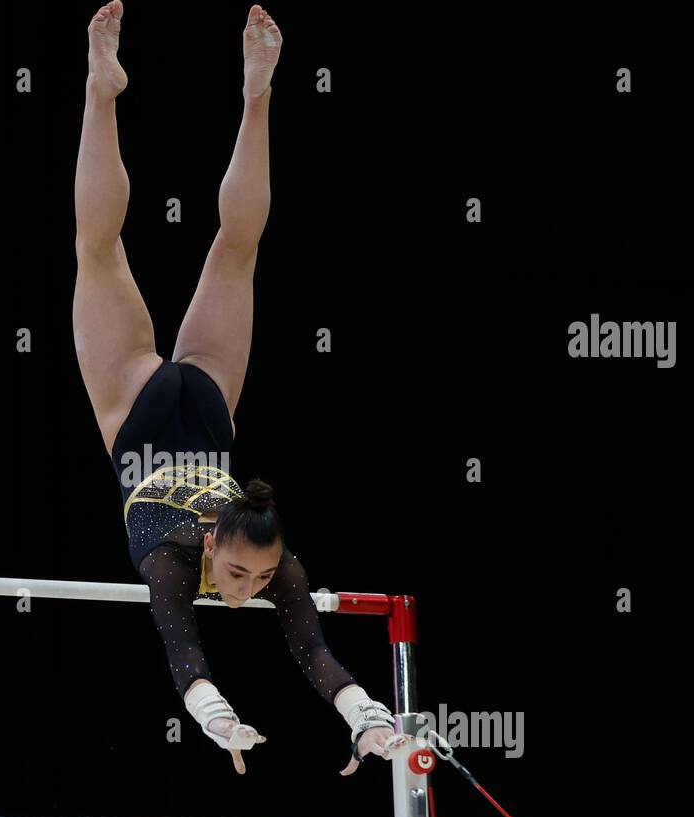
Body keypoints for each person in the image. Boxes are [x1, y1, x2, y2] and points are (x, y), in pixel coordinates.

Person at [73, 3, 405, 775]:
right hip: (171, 410)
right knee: (132, 249)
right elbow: (188, 650)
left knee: (183, 248)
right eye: (240, 575)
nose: (248, 588)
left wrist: (368, 719)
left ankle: (231, 91)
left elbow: (308, 651)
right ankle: (139, 90)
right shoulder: (171, 555)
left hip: (183, 408)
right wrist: (224, 719)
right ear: (214, 541)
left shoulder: (249, 556)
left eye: (255, 579)